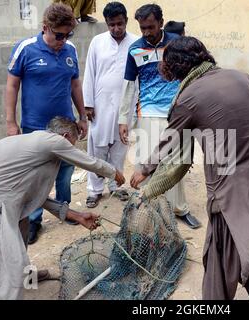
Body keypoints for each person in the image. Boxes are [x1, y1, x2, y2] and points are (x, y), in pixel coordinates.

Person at [130, 36, 249, 300]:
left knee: (220, 261)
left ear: (176, 69)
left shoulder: (188, 98)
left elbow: (168, 142)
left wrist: (144, 169)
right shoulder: (241, 77)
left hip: (233, 195)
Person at [0, 117, 125, 300]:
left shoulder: (35, 148)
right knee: (2, 268)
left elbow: (34, 198)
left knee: (22, 225)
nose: (70, 150)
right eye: (71, 144)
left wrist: (75, 215)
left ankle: (27, 276)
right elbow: (88, 161)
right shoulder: (51, 141)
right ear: (65, 136)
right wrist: (113, 172)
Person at [5, 3, 88, 244]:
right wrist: (11, 123)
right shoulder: (26, 49)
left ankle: (66, 209)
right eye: (58, 35)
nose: (63, 40)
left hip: (64, 126)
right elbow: (12, 85)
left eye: (68, 34)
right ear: (45, 28)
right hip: (34, 126)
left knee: (65, 170)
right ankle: (34, 220)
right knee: (36, 175)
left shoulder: (70, 49)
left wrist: (82, 116)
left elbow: (75, 85)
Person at [118, 4, 200, 229]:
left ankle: (179, 208)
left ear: (161, 23)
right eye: (142, 28)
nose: (146, 32)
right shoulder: (135, 49)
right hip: (148, 110)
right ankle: (151, 209)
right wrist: (123, 118)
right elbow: (128, 85)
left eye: (151, 27)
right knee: (148, 161)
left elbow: (193, 73)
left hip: (178, 111)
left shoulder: (177, 43)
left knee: (177, 162)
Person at [83, 2, 139, 208]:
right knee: (97, 148)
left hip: (126, 105)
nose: (116, 28)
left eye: (120, 24)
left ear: (126, 20)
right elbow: (89, 73)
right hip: (100, 103)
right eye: (111, 25)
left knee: (119, 147)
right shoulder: (97, 42)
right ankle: (94, 190)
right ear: (106, 24)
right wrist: (88, 104)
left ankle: (116, 185)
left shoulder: (136, 43)